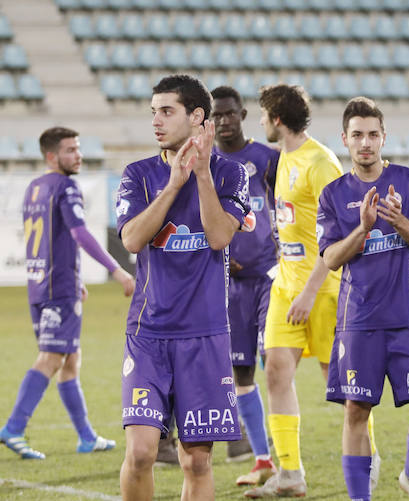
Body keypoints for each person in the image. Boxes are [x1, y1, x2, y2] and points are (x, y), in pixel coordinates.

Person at [116, 74, 250, 501]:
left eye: (166, 111)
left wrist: (202, 175)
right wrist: (173, 184)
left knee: (197, 460)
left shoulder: (231, 174)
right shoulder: (138, 174)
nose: (156, 120)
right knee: (140, 453)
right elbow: (133, 240)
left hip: (205, 336)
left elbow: (218, 237)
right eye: (153, 111)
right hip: (148, 334)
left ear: (197, 117)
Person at [245, 83, 361, 498]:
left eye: (262, 115)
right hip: (284, 285)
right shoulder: (283, 158)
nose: (260, 123)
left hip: (323, 289)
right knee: (276, 372)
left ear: (277, 118)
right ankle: (290, 472)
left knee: (342, 384)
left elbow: (341, 234)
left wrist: (310, 292)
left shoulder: (321, 162)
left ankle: (367, 455)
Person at [319, 97, 409, 501]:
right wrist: (363, 229)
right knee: (356, 411)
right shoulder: (333, 194)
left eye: (372, 134)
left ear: (384, 137)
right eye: (357, 135)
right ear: (345, 140)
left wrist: (400, 221)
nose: (365, 143)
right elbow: (331, 259)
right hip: (360, 319)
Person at [0, 127, 135, 460]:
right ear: (51, 156)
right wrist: (116, 270)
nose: (78, 155)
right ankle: (14, 427)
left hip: (40, 283)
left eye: (78, 148)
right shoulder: (66, 187)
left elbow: (47, 238)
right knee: (53, 358)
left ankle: (87, 436)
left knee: (70, 360)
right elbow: (79, 234)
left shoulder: (34, 187)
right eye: (70, 150)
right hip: (57, 289)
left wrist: (74, 277)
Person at [210, 85, 281, 485]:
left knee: (276, 366)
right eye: (216, 115)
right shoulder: (205, 162)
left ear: (242, 114)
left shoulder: (266, 159)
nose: (223, 121)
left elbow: (286, 208)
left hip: (269, 276)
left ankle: (287, 455)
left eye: (229, 113)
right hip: (230, 285)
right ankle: (261, 458)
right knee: (242, 373)